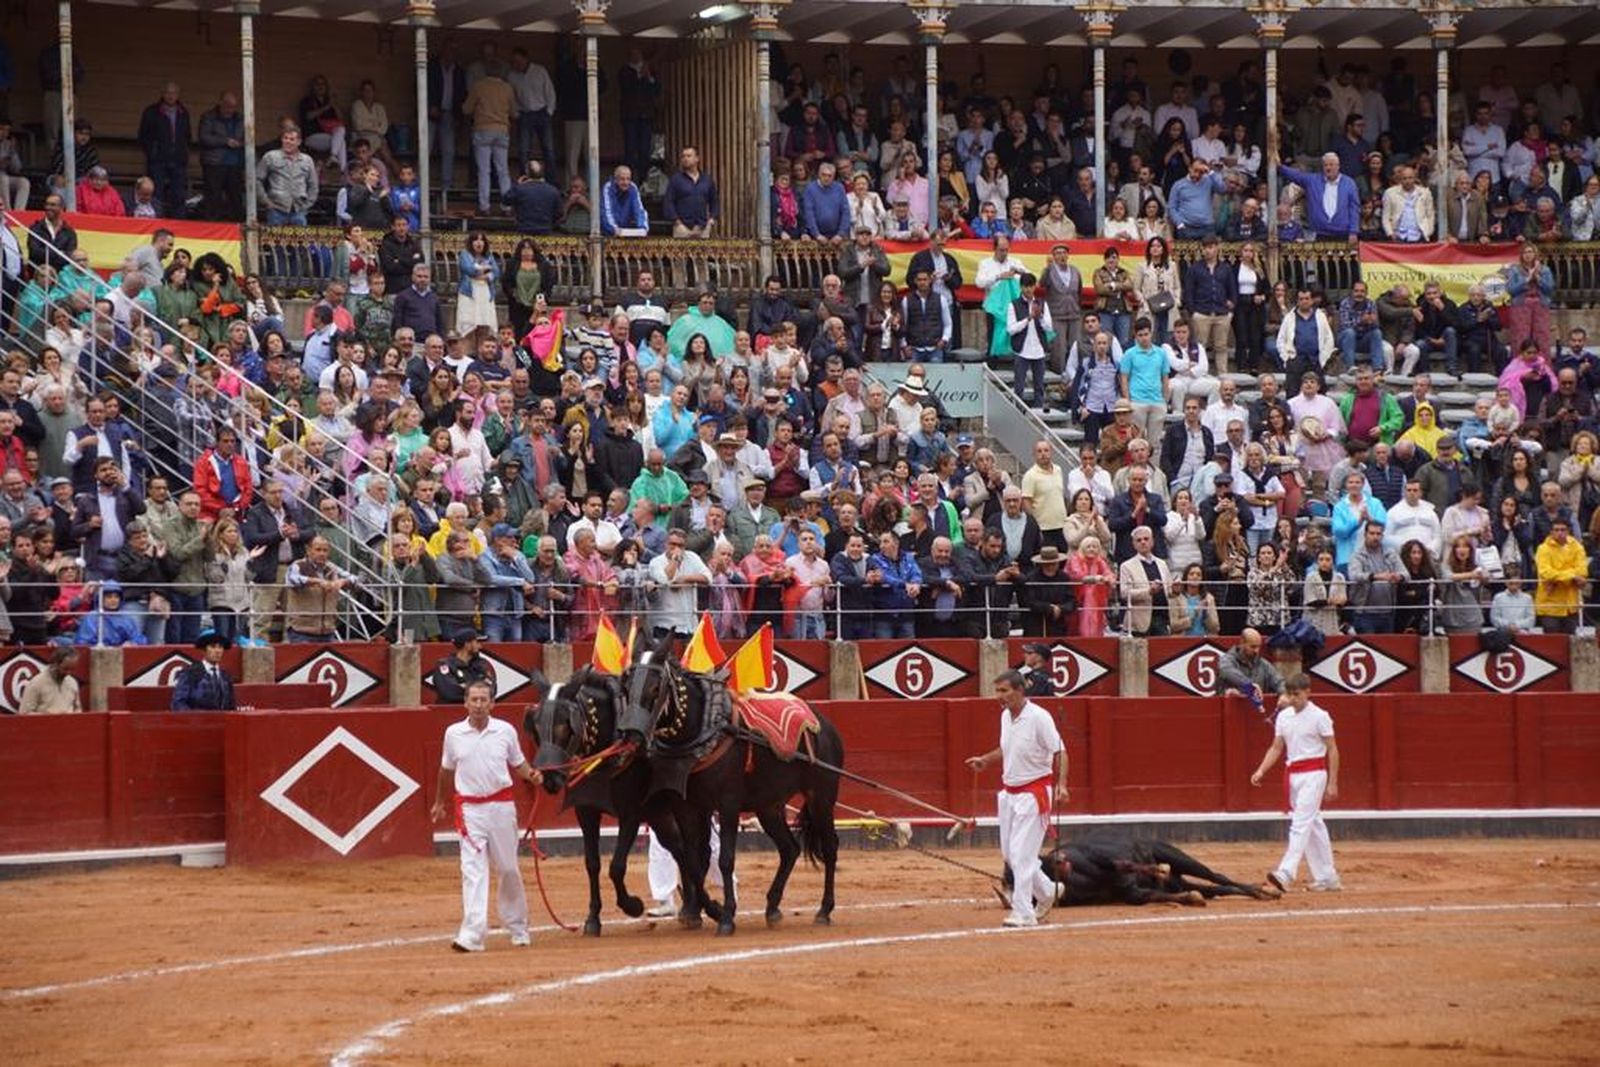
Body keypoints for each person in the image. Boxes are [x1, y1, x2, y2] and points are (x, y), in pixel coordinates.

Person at [430, 679, 539, 953]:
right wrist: (440, 801)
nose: (478, 705)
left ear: (492, 704)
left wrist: (533, 775)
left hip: (501, 808)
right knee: (473, 871)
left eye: (483, 700)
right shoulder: (453, 733)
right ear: (465, 703)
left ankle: (518, 926)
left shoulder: (505, 731)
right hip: (470, 811)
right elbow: (446, 770)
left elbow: (519, 764)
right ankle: (472, 934)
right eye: (474, 700)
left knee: (508, 868)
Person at [965, 670, 1068, 928]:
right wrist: (985, 761)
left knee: (1022, 855)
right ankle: (1047, 890)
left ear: (1020, 690)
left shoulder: (1039, 717)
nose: (999, 696)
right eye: (997, 691)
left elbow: (1060, 751)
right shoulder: (1005, 717)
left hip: (1034, 794)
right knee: (1011, 855)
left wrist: (1062, 785)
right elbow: (1007, 747)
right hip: (1010, 793)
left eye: (1004, 691)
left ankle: (1024, 912)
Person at [1250, 674, 1341, 894]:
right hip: (1293, 775)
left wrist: (1332, 782)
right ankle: (1327, 877)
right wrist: (1261, 769)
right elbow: (1276, 747)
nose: (1293, 699)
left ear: (1308, 692)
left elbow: (1332, 749)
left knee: (1300, 824)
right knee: (1312, 824)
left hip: (1314, 775)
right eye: (1290, 694)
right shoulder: (1284, 717)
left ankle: (1286, 873)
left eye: (1297, 695)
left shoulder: (1320, 716)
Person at [1215, 626, 1282, 706]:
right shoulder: (1228, 660)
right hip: (1232, 711)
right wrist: (1248, 684)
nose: (1256, 651)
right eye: (1252, 647)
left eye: (1258, 647)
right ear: (1242, 643)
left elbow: (1278, 681)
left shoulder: (1263, 664)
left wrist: (1284, 694)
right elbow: (1225, 670)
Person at [170, 630, 237, 711]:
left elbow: (231, 706)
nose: (217, 651)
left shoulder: (225, 676)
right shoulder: (190, 673)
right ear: (204, 650)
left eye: (220, 647)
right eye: (213, 647)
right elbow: (178, 703)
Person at [433, 627, 494, 703]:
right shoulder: (445, 665)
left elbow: (491, 689)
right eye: (477, 642)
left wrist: (465, 686)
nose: (480, 646)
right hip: (451, 711)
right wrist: (478, 687)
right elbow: (450, 692)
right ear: (467, 645)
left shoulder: (482, 664)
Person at [17, 646, 81, 714]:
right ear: (55, 663)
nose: (68, 673)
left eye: (72, 669)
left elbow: (77, 708)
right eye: (65, 669)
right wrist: (50, 717)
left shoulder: (72, 682)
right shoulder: (36, 683)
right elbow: (24, 713)